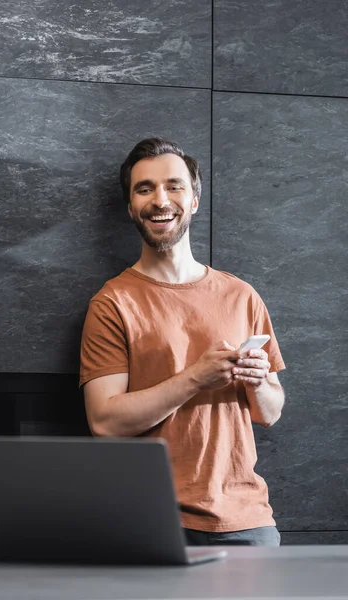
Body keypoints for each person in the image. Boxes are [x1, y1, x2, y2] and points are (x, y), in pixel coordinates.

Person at [79, 138, 286, 547]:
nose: (160, 200)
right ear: (130, 207)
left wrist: (259, 381)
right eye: (145, 189)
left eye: (174, 186)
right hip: (152, 524)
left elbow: (271, 412)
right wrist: (195, 377)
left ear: (193, 200)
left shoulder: (242, 295)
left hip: (248, 523)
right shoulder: (112, 303)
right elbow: (104, 423)